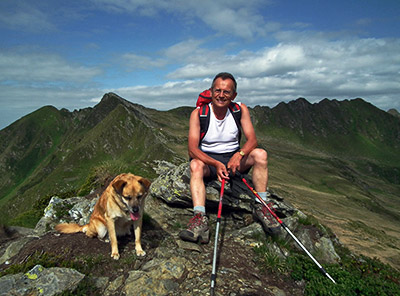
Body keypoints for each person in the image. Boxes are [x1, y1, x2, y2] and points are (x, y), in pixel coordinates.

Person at [179, 72, 280, 243]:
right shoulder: (199, 114)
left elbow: (252, 140)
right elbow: (192, 149)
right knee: (195, 165)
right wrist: (215, 163)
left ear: (234, 95)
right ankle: (199, 218)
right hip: (208, 161)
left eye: (226, 92)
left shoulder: (240, 110)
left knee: (260, 155)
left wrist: (239, 155)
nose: (221, 95)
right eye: (217, 90)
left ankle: (261, 206)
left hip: (235, 159)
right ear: (211, 91)